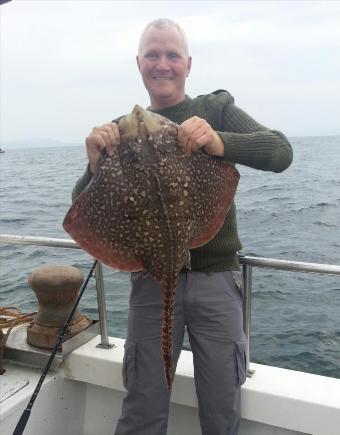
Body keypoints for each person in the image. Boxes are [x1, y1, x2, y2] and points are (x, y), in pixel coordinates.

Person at [72, 18, 293, 435]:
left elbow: (281, 152)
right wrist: (95, 163)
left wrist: (219, 140)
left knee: (221, 402)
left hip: (216, 282)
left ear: (188, 64)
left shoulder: (213, 109)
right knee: (143, 404)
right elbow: (82, 211)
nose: (162, 64)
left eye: (172, 55)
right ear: (139, 64)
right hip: (151, 279)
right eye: (152, 55)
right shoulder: (121, 131)